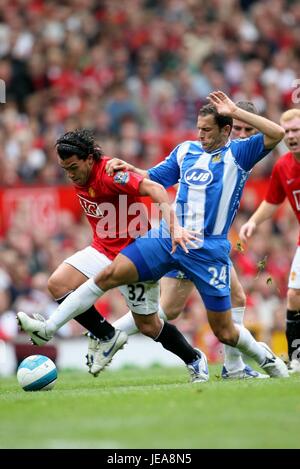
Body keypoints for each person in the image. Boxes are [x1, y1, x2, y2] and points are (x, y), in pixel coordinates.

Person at [18, 91, 289, 379]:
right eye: (198, 128)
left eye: (207, 130)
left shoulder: (239, 154)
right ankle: (54, 328)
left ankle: (263, 359)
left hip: (207, 248)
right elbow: (153, 177)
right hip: (168, 238)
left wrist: (235, 111)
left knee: (222, 329)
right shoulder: (186, 151)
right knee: (111, 274)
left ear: (225, 130)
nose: (201, 135)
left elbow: (277, 132)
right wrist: (130, 168)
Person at [17, 128, 208, 383]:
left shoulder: (111, 175)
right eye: (65, 169)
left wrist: (172, 229)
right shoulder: (80, 177)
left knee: (149, 326)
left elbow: (157, 190)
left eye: (73, 167)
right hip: (102, 250)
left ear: (89, 159)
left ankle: (194, 359)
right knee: (57, 284)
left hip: (136, 255)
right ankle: (107, 335)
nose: (71, 174)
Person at [109, 100, 267, 380]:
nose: (242, 134)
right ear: (228, 128)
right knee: (169, 309)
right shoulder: (201, 151)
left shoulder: (238, 153)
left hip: (208, 240)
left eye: (247, 130)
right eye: (238, 128)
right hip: (187, 237)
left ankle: (234, 367)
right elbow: (155, 178)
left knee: (234, 295)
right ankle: (109, 334)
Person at [239, 108, 300, 374]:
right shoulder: (283, 166)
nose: (292, 136)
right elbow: (273, 200)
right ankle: (296, 357)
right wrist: (253, 221)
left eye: (296, 130)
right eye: (287, 132)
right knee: (294, 297)